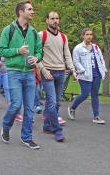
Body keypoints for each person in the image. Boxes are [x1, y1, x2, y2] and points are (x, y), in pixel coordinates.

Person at [0, 0, 42, 149]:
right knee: (16, 104)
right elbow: (1, 50)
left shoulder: (34, 32)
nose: (32, 11)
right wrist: (18, 51)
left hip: (29, 73)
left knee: (29, 108)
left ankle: (27, 137)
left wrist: (37, 58)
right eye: (30, 9)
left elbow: (39, 51)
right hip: (14, 72)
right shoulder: (8, 30)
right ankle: (6, 126)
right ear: (21, 12)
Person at [37, 11, 77, 142]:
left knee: (56, 102)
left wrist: (72, 69)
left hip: (61, 72)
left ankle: (47, 126)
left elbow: (67, 55)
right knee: (52, 102)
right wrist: (42, 70)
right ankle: (57, 130)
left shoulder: (63, 37)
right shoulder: (41, 35)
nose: (55, 21)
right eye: (52, 18)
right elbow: (35, 55)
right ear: (47, 20)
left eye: (57, 18)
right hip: (48, 72)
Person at [68, 28, 107, 124]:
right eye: (87, 34)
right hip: (85, 75)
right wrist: (82, 71)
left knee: (95, 95)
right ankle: (72, 108)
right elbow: (76, 61)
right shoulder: (78, 48)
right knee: (85, 94)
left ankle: (96, 116)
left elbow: (101, 59)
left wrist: (104, 69)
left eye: (91, 34)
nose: (89, 36)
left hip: (97, 74)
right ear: (83, 36)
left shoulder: (96, 47)